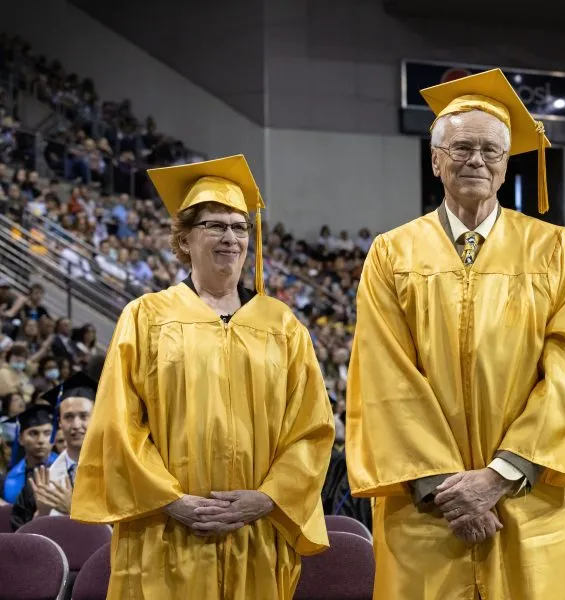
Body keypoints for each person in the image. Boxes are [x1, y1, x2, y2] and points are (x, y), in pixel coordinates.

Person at [346, 69, 565, 600]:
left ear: (507, 162)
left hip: (527, 500)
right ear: (436, 160)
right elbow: (384, 375)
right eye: (462, 147)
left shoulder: (557, 251)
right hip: (428, 510)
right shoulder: (392, 255)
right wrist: (444, 490)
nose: (477, 161)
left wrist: (499, 477)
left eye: (492, 151)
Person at [70, 155, 335, 600]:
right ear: (185, 239)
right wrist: (172, 501)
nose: (230, 237)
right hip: (165, 531)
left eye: (240, 227)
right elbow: (118, 424)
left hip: (255, 533)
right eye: (215, 226)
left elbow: (311, 428)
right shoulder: (146, 317)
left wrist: (268, 497)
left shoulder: (282, 324)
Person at [10, 371, 94, 530]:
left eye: (84, 416)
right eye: (68, 417)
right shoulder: (39, 482)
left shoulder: (117, 474)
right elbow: (20, 543)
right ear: (59, 422)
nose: (76, 425)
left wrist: (77, 511)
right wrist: (42, 514)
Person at [1, 403, 58, 503]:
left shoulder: (67, 468)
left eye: (47, 433)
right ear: (21, 439)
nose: (41, 440)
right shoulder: (10, 479)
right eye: (33, 433)